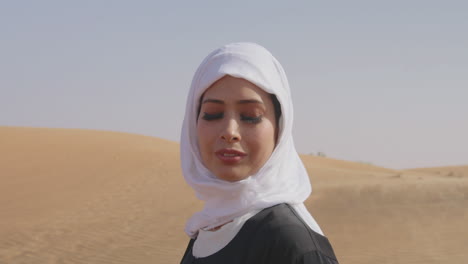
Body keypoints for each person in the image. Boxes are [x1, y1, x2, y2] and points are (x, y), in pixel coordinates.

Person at [179, 42, 339, 263]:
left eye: (251, 115)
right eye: (213, 114)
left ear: (280, 128)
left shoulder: (290, 243)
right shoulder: (209, 226)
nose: (229, 132)